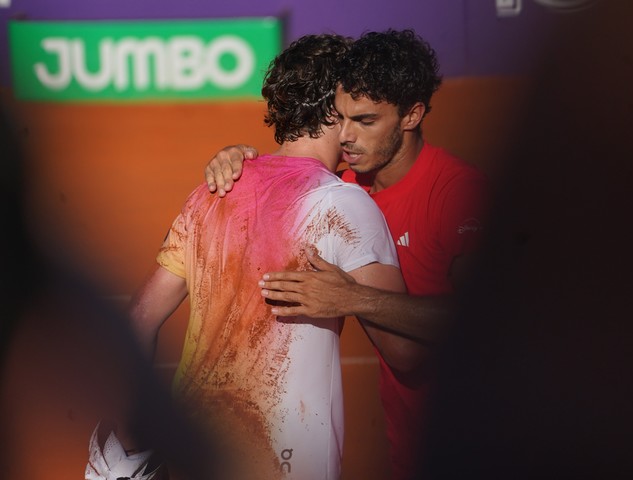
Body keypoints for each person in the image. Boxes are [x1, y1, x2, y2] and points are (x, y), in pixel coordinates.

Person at [90, 34, 405, 480]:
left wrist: (130, 436)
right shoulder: (344, 204)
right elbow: (405, 352)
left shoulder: (211, 193)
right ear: (337, 110)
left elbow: (140, 318)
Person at [203, 29, 486, 480]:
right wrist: (234, 158)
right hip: (410, 440)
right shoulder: (345, 189)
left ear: (412, 115)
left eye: (367, 121)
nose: (347, 137)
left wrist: (354, 298)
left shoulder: (457, 193)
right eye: (342, 117)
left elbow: (488, 321)